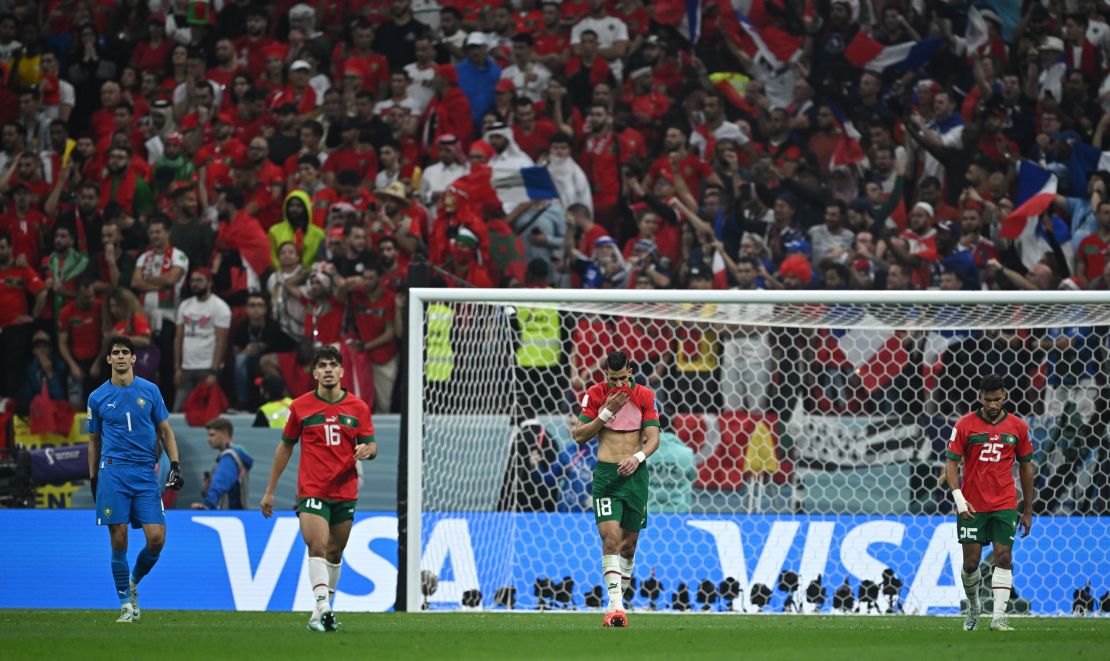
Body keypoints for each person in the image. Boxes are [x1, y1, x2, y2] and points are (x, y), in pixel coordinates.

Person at [260, 346, 377, 632]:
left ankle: (319, 613)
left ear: (341, 371)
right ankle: (323, 605)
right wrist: (270, 490)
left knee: (335, 552)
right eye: (322, 365)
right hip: (312, 489)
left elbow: (372, 446)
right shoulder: (300, 407)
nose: (327, 369)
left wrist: (366, 450)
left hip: (345, 490)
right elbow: (285, 447)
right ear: (314, 373)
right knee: (318, 545)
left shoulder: (358, 408)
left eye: (332, 365)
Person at [87, 335, 183, 623]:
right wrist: (93, 478)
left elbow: (166, 431)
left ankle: (132, 581)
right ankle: (125, 604)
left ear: (133, 359)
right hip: (113, 472)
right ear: (109, 360)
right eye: (114, 352)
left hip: (144, 473)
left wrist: (175, 465)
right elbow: (93, 441)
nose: (119, 356)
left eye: (124, 352)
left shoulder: (150, 391)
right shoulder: (96, 397)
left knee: (156, 539)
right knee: (119, 539)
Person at [571, 350, 660, 627]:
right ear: (605, 375)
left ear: (630, 372)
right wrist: (606, 411)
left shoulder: (644, 395)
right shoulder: (596, 394)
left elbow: (653, 439)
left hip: (635, 475)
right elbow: (579, 435)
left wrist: (637, 458)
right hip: (607, 477)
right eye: (613, 379)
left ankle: (613, 606)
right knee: (610, 539)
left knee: (629, 547)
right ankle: (618, 608)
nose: (618, 385)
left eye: (622, 378)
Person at [945, 373, 1035, 632]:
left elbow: (1026, 467)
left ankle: (999, 617)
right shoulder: (964, 425)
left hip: (1005, 502)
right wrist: (959, 498)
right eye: (988, 400)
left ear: (1004, 396)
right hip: (972, 505)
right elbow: (951, 463)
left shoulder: (1018, 427)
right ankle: (974, 607)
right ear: (980, 397)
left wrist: (1027, 510)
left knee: (1004, 557)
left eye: (997, 399)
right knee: (971, 563)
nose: (993, 405)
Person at [192, 417, 253, 510]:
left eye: (212, 435)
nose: (208, 439)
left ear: (225, 434)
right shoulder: (233, 456)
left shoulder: (230, 457)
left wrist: (208, 505)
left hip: (229, 516)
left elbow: (219, 483)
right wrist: (206, 491)